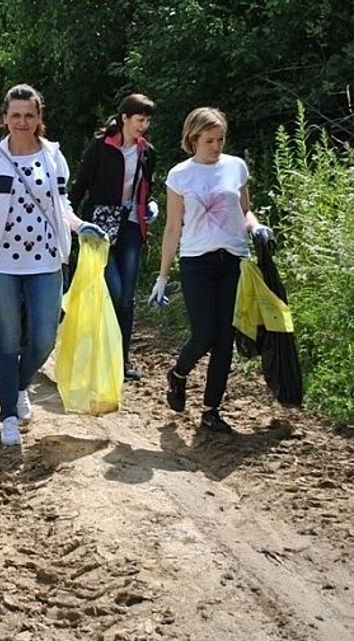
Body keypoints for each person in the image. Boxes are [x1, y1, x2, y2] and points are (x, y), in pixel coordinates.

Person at [0, 84, 106, 446]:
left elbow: (63, 206)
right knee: (7, 342)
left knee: (42, 339)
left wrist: (81, 226)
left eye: (29, 115)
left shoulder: (53, 157)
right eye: (15, 115)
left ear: (39, 117)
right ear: (4, 118)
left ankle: (20, 384)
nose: (22, 122)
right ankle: (8, 415)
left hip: (46, 260)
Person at [147, 107, 273, 434]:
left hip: (233, 259)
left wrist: (257, 227)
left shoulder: (236, 167)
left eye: (220, 140)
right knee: (204, 334)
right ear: (193, 139)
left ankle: (211, 410)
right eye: (209, 141)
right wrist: (163, 275)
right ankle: (178, 374)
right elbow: (173, 227)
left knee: (225, 338)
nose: (216, 146)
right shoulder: (180, 175)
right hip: (196, 262)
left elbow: (245, 210)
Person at [68, 94, 158, 382]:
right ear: (124, 118)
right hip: (100, 227)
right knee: (114, 291)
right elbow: (79, 187)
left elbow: (148, 189)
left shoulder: (147, 152)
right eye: (140, 119)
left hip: (131, 226)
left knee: (127, 298)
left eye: (147, 121)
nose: (144, 126)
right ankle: (96, 351)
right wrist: (70, 224)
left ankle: (121, 360)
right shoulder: (99, 147)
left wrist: (151, 205)